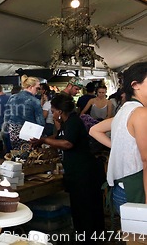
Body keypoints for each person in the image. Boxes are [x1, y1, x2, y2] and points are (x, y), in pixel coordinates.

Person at [30, 94, 105, 243]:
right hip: (74, 173)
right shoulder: (66, 124)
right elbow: (58, 138)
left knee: (87, 210)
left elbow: (67, 144)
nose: (52, 114)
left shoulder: (74, 122)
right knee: (79, 209)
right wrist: (43, 139)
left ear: (59, 111)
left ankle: (91, 239)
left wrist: (45, 140)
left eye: (53, 111)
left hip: (84, 173)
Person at [89, 62, 147, 213]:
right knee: (138, 236)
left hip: (121, 188)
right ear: (135, 85)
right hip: (135, 187)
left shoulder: (125, 109)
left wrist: (118, 147)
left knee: (131, 235)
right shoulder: (140, 113)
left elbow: (94, 130)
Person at [3, 75, 45, 150]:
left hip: (14, 131)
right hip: (29, 132)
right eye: (37, 88)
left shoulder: (12, 97)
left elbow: (6, 116)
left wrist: (7, 131)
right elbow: (40, 121)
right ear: (31, 86)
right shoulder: (35, 101)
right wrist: (43, 136)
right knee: (30, 156)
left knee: (17, 155)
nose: (38, 91)